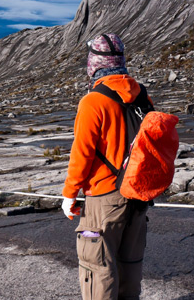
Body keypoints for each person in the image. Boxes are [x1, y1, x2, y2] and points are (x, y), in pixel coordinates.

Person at [62, 33, 152, 300]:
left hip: (103, 199)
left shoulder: (93, 101)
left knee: (97, 268)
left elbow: (82, 154)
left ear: (94, 63)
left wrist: (69, 195)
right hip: (137, 195)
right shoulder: (142, 97)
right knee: (130, 266)